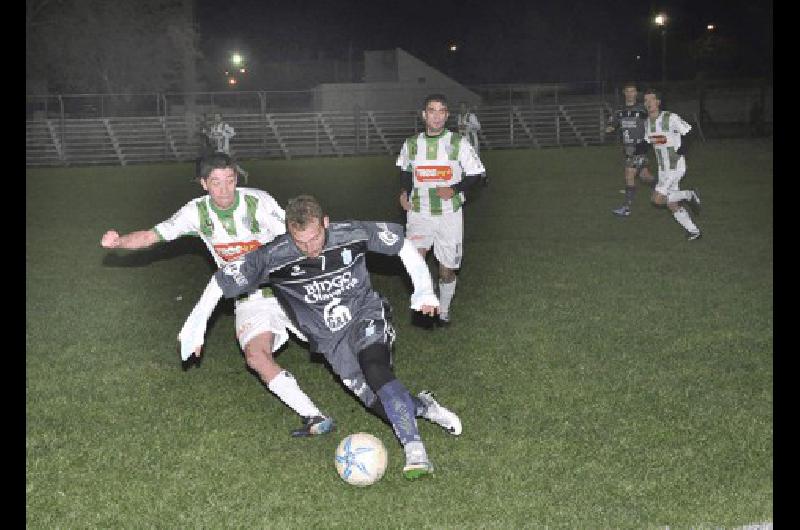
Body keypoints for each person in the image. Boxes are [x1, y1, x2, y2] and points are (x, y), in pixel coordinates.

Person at [178, 195, 463, 480]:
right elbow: (221, 280)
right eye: (300, 241)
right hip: (329, 340)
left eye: (315, 237)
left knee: (375, 368)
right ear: (289, 232)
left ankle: (416, 453)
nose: (310, 247)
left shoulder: (350, 233)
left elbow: (401, 245)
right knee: (378, 403)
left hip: (365, 313)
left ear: (325, 223)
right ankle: (425, 406)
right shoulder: (274, 256)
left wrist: (424, 289)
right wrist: (196, 324)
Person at [100, 153, 333, 437]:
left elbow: (294, 238)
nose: (224, 190)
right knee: (256, 357)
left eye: (230, 180)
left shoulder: (258, 202)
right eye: (216, 183)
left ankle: (379, 386)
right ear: (203, 184)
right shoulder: (195, 212)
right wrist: (119, 241)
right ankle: (314, 417)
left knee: (334, 340)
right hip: (249, 299)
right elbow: (152, 236)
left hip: (286, 287)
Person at [397, 94, 486, 328]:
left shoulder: (458, 143)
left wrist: (455, 189)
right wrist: (405, 192)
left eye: (441, 111)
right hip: (419, 213)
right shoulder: (412, 144)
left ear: (447, 116)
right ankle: (426, 300)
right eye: (432, 110)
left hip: (449, 215)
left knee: (447, 270)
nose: (436, 115)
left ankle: (444, 310)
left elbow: (476, 174)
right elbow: (406, 171)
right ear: (424, 115)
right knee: (415, 261)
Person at [642, 88, 702, 240]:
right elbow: (646, 144)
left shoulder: (670, 117)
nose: (649, 103)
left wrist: (682, 150)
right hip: (663, 169)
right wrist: (639, 160)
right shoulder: (648, 123)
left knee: (657, 200)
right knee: (672, 203)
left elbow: (689, 132)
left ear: (658, 102)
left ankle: (688, 194)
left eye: (652, 100)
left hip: (675, 166)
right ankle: (694, 231)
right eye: (646, 100)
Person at [606, 83, 655, 217]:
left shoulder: (642, 109)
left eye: (632, 91)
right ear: (624, 93)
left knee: (629, 174)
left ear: (636, 93)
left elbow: (653, 121)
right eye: (627, 91)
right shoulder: (619, 110)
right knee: (645, 177)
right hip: (628, 148)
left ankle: (626, 208)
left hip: (640, 147)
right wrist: (610, 127)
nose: (630, 93)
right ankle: (667, 190)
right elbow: (612, 123)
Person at [205, 113, 249, 183]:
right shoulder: (213, 127)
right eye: (215, 117)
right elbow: (212, 137)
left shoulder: (225, 126)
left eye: (218, 117)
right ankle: (242, 174)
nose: (216, 118)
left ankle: (238, 175)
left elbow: (233, 133)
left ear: (221, 118)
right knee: (225, 164)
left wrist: (224, 135)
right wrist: (208, 134)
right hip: (218, 148)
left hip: (225, 149)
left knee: (226, 164)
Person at [457, 102, 488, 186]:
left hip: (472, 142)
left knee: (476, 160)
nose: (462, 109)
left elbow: (478, 126)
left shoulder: (471, 116)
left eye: (463, 107)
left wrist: (468, 126)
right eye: (460, 107)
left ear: (466, 108)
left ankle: (484, 177)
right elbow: (460, 129)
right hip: (463, 143)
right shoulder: (459, 117)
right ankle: (468, 178)